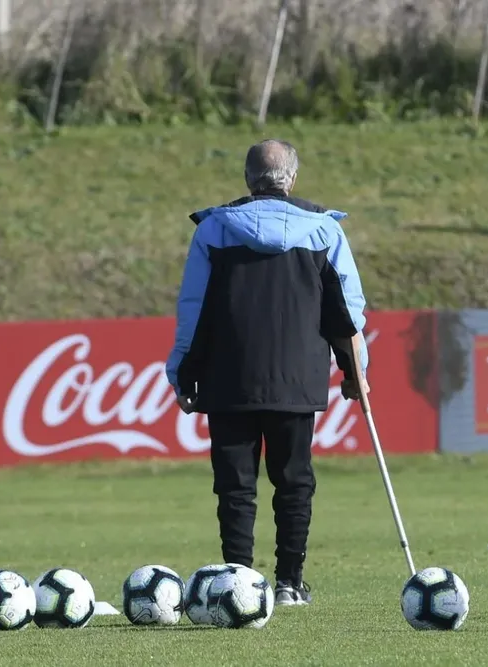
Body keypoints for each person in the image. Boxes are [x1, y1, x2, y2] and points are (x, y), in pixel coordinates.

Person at [165, 139, 369, 607]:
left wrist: (183, 371)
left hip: (227, 378)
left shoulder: (214, 231)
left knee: (235, 485)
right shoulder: (324, 232)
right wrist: (356, 372)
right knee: (294, 480)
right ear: (292, 179)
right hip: (297, 379)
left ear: (247, 179)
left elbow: (193, 311)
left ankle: (238, 580)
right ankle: (290, 583)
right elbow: (346, 313)